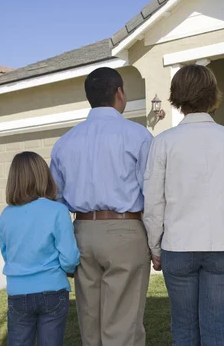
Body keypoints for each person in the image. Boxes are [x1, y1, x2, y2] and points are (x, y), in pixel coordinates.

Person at [143, 64, 224, 345]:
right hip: (222, 245)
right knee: (217, 331)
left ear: (177, 96)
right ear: (212, 94)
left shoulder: (164, 142)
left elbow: (154, 202)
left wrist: (155, 247)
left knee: (183, 330)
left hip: (177, 248)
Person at [50, 67, 153, 346]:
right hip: (125, 229)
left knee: (90, 322)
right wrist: (156, 244)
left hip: (82, 230)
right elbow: (152, 194)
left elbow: (56, 201)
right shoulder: (138, 136)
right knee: (122, 324)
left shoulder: (64, 143)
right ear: (119, 93)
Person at [0, 151, 80, 346]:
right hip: (52, 289)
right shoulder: (58, 210)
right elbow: (69, 256)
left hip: (18, 292)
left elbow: (6, 253)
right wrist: (67, 270)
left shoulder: (5, 215)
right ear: (44, 175)